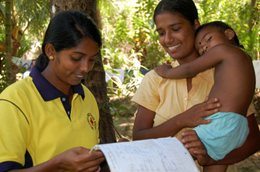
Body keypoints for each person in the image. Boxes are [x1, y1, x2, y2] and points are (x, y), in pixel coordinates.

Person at [131, 0, 260, 172]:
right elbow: (138, 137)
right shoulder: (154, 79)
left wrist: (210, 159)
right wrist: (182, 120)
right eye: (161, 33)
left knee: (186, 152)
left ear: (195, 25)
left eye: (176, 29)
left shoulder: (226, 75)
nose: (168, 39)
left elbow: (253, 140)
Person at [0, 11, 105, 172]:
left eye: (91, 60)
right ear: (50, 51)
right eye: (76, 58)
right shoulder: (14, 101)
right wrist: (57, 165)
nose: (85, 68)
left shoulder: (86, 97)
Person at [154, 20, 255, 170]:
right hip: (239, 127)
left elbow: (190, 69)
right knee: (214, 161)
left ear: (228, 34)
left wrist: (167, 72)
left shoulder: (223, 51)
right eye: (200, 48)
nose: (204, 47)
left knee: (177, 156)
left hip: (221, 122)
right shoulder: (244, 59)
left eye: (208, 39)